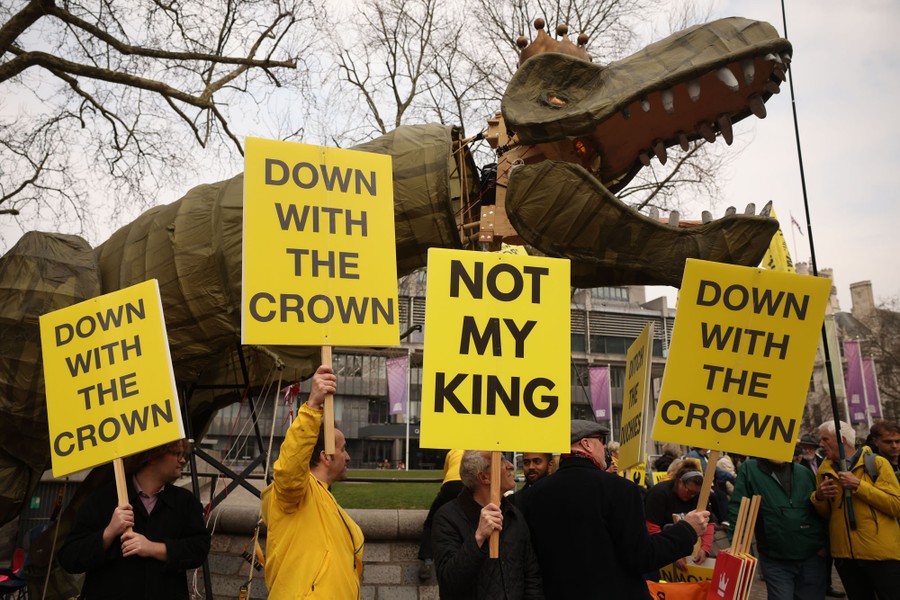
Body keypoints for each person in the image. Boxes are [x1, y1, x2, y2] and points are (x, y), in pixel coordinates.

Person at [520, 420, 709, 599]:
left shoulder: (530, 496)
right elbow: (642, 557)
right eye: (601, 442)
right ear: (586, 444)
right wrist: (686, 530)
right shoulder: (621, 489)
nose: (604, 449)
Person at [58, 438, 210, 599]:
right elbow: (70, 558)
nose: (183, 460)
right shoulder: (102, 500)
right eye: (176, 453)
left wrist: (152, 548)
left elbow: (199, 549)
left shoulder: (185, 501)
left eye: (183, 453)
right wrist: (108, 533)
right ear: (152, 455)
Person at [260, 365, 364, 599]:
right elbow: (289, 467)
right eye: (343, 449)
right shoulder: (293, 493)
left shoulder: (325, 499)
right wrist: (312, 406)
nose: (347, 457)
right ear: (325, 457)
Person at [432, 451, 544, 599]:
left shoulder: (513, 514)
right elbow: (449, 583)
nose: (511, 466)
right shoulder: (448, 517)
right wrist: (478, 537)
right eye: (502, 461)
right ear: (484, 477)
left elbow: (531, 575)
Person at [811, 419, 900, 599]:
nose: (821, 444)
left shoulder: (878, 463)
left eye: (825, 439)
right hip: (846, 557)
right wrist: (819, 497)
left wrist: (858, 485)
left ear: (842, 440)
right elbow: (828, 514)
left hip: (880, 555)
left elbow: (895, 505)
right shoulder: (824, 470)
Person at [728, 456, 828, 599]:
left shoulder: (804, 473)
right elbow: (738, 508)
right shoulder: (750, 469)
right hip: (775, 558)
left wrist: (825, 545)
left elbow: (820, 510)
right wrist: (736, 544)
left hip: (811, 557)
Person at [644, 460, 716, 570]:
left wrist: (705, 548)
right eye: (689, 491)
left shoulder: (700, 496)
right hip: (660, 551)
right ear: (680, 482)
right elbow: (652, 527)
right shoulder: (659, 493)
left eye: (695, 493)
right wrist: (672, 554)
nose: (692, 496)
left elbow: (709, 523)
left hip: (688, 552)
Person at [417, 449, 465, 581]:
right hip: (470, 484)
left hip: (451, 485)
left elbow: (446, 474)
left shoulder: (453, 451)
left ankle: (427, 560)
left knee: (431, 523)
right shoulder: (476, 450)